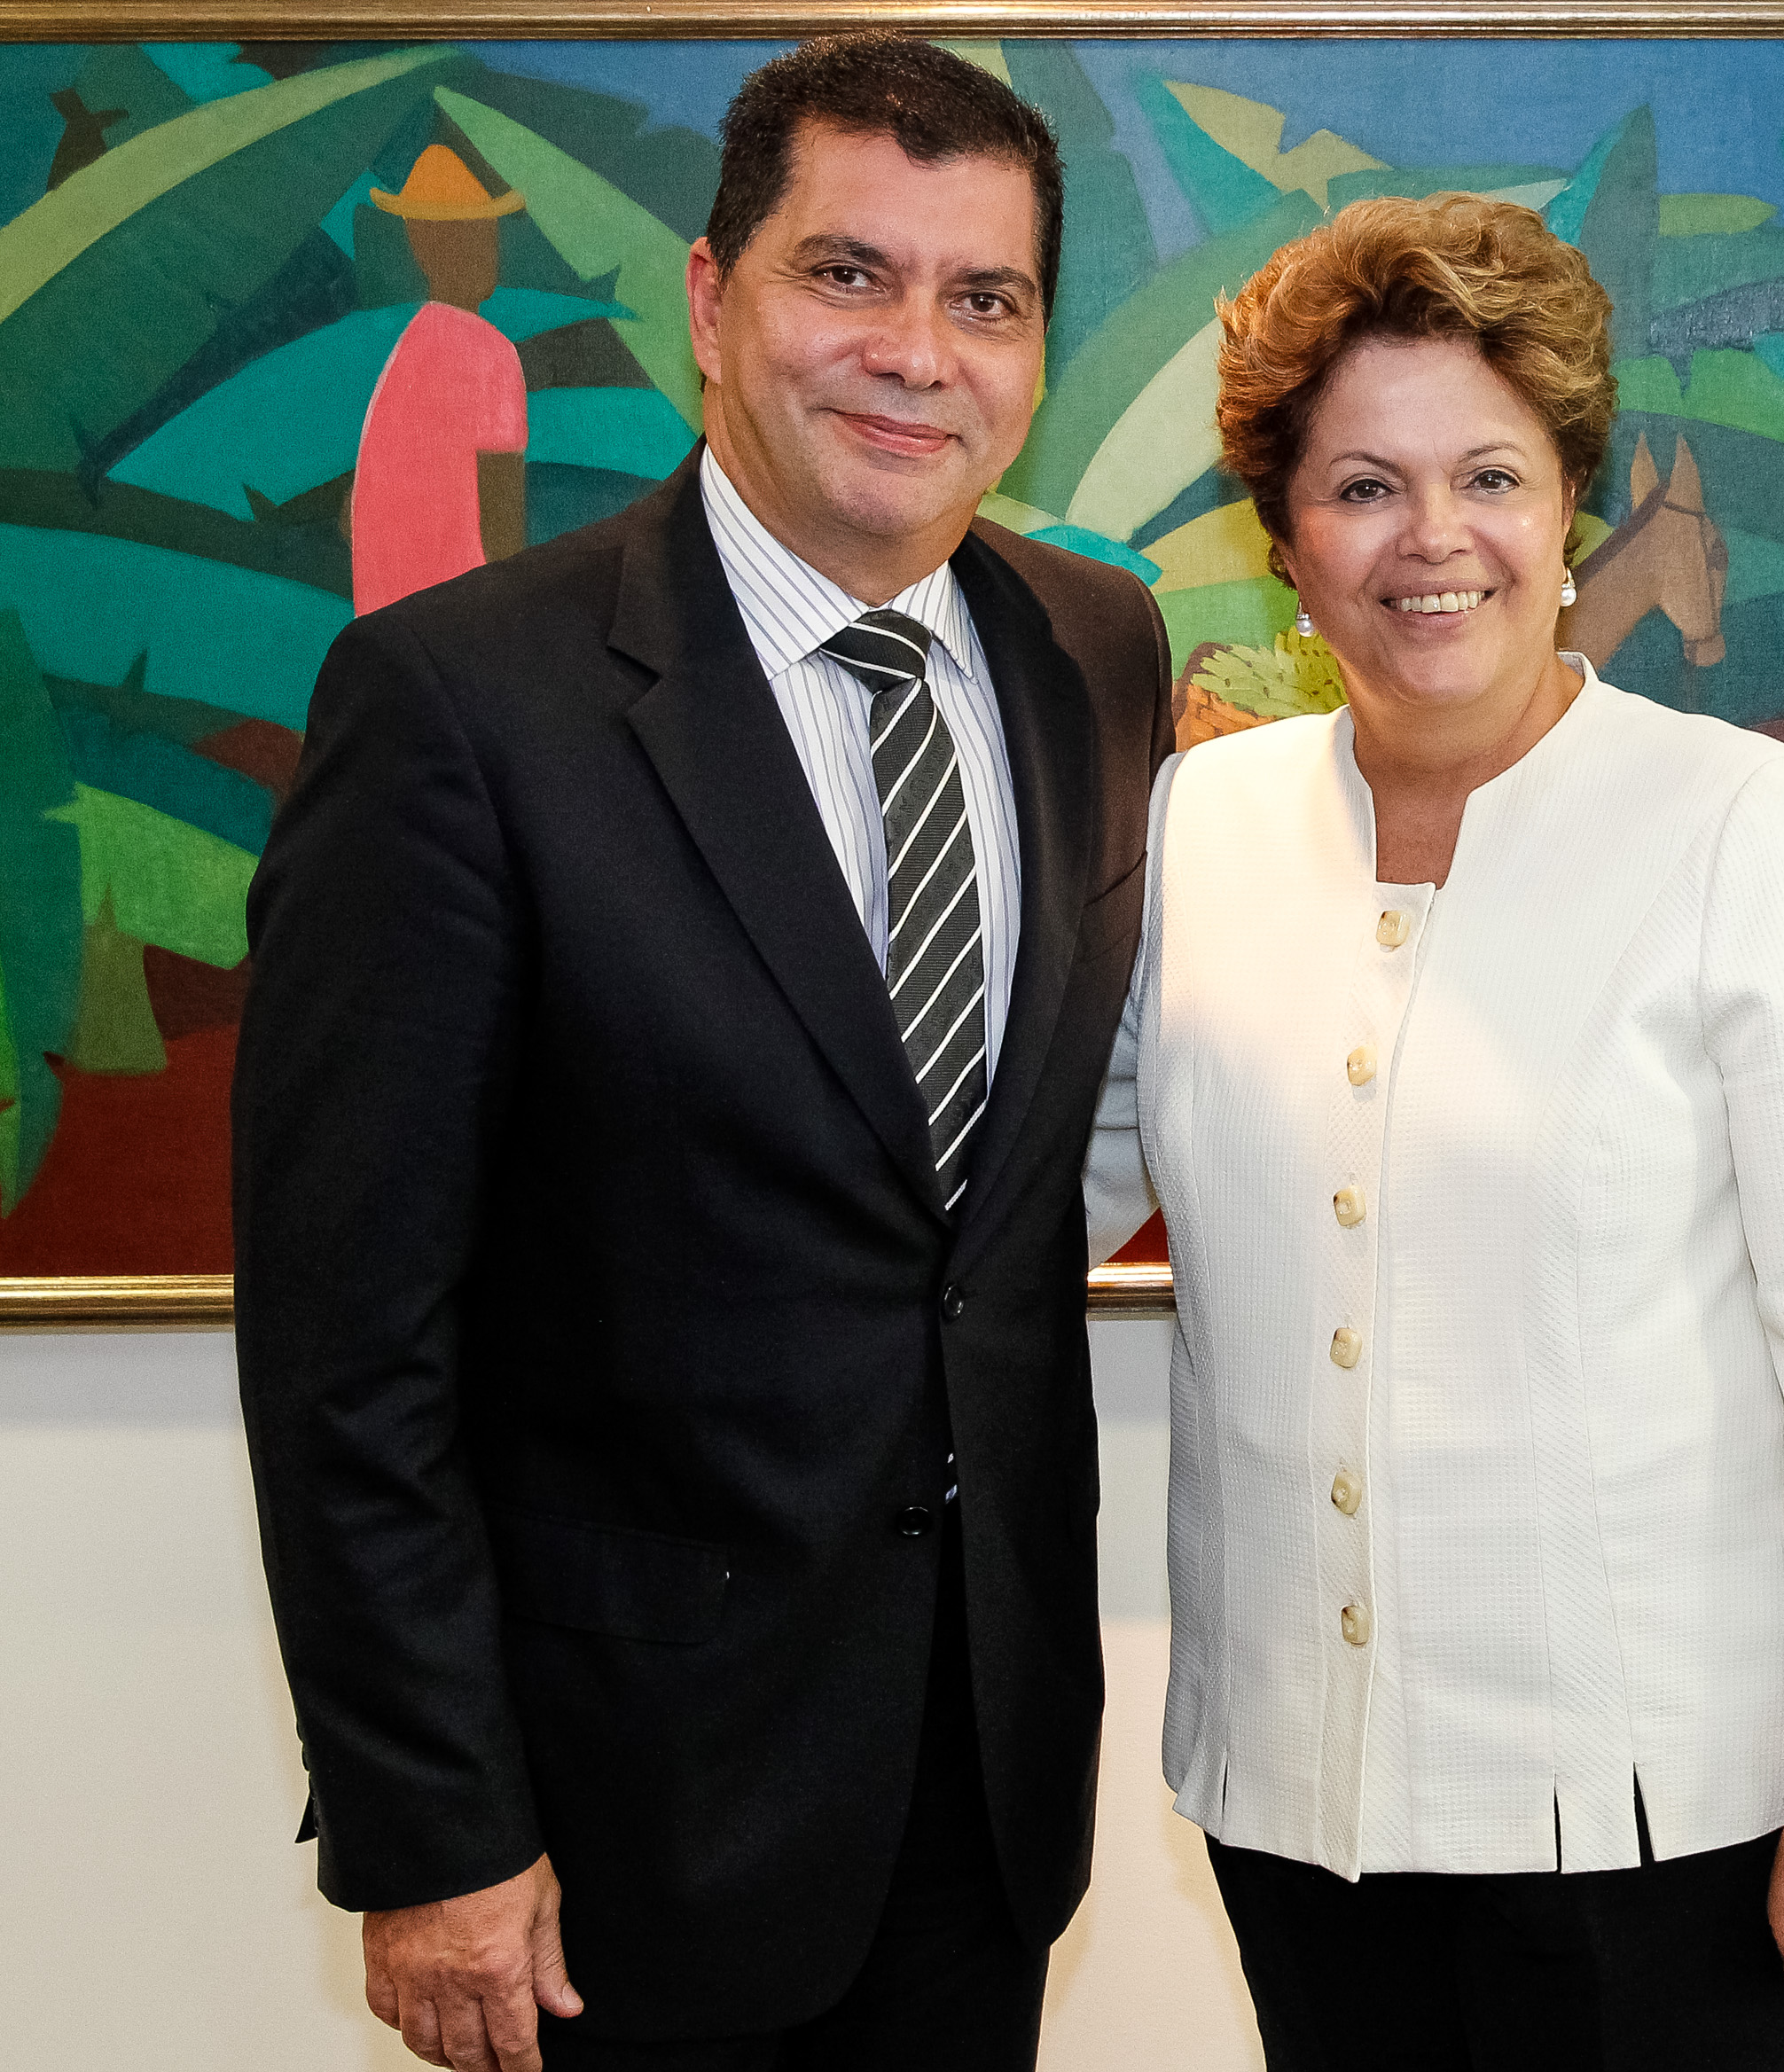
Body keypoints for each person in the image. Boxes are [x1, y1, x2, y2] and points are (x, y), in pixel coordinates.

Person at [235, 34, 1170, 2072]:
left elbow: (980, 1219)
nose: (915, 350)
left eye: (981, 297)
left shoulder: (1093, 651)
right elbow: (345, 1341)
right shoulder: (456, 706)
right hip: (615, 1826)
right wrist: (435, 1820)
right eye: (848, 274)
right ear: (706, 303)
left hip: (986, 1784)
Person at [1086, 192, 1784, 2068]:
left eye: (1487, 474)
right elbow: (1030, 1208)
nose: (1433, 541)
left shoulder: (1747, 826)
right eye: (1361, 486)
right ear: (1284, 540)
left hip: (1653, 1836)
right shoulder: (1196, 828)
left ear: (1566, 509)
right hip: (1293, 1807)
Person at [352, 144, 530, 614]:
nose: (489, 252)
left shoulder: (410, 349)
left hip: (390, 635)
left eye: (488, 235)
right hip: (460, 631)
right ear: (430, 247)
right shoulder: (491, 357)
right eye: (477, 236)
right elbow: (503, 538)